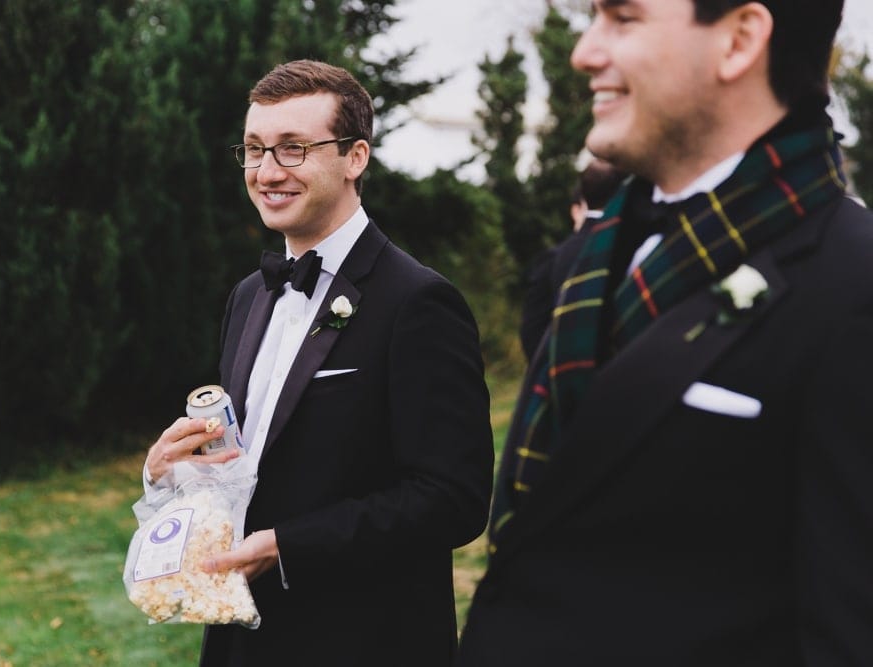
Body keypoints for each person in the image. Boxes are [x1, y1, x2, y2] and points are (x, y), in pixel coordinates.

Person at [458, 1, 873, 665]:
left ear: (739, 40)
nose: (584, 52)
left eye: (623, 18)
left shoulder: (854, 290)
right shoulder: (589, 254)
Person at [142, 59, 494, 666]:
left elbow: (452, 499)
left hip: (362, 639)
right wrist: (172, 475)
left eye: (292, 149)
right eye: (254, 150)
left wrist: (288, 546)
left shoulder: (418, 302)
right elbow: (256, 465)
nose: (266, 172)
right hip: (240, 639)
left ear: (356, 157)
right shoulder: (249, 295)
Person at [519, 157, 627, 357]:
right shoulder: (630, 246)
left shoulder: (556, 256)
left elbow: (532, 331)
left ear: (583, 199)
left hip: (562, 362)